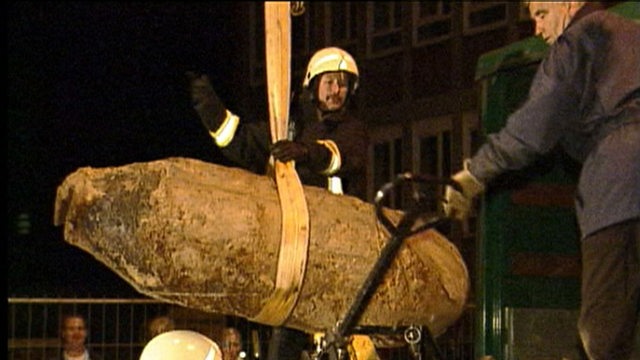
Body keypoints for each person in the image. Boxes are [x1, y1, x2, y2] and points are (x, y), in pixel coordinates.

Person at [442, 2, 639, 359]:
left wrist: (473, 174)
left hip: (617, 185)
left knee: (603, 334)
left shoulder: (579, 40)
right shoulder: (632, 33)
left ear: (567, 3)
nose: (537, 28)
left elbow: (533, 128)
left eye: (541, 13)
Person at [188, 46, 369, 360]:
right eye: (329, 82)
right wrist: (205, 98)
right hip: (292, 253)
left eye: (342, 83)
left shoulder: (352, 130)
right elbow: (237, 140)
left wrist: (305, 153)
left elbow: (341, 155)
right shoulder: (286, 128)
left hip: (336, 249)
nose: (336, 90)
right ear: (313, 87)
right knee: (284, 340)